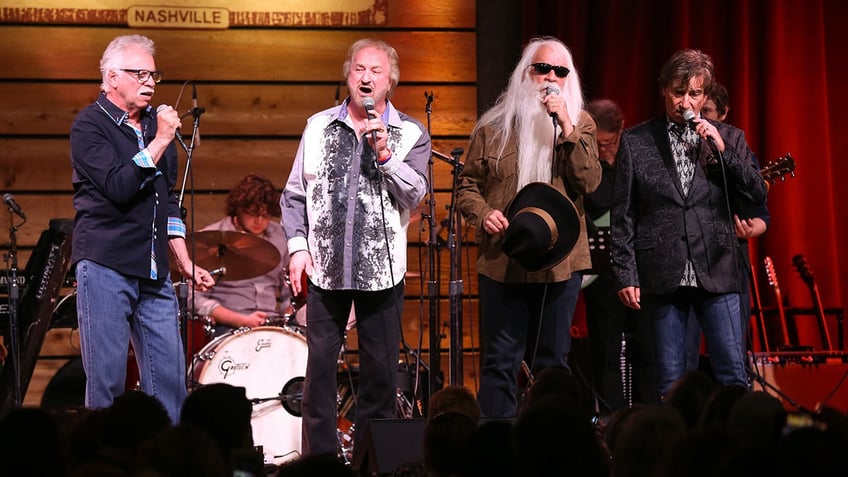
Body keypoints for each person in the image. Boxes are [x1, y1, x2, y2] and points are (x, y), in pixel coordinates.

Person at [281, 38, 430, 458]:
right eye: (359, 69)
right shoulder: (318, 126)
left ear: (391, 81)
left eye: (376, 71)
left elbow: (415, 194)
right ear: (348, 76)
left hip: (381, 273)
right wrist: (298, 248)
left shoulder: (410, 133)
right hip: (325, 271)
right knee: (320, 378)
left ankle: (371, 463)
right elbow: (294, 195)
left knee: (381, 379)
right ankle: (320, 465)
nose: (366, 77)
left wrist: (384, 154)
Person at [70, 34, 215, 423]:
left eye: (154, 74)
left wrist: (183, 259)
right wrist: (163, 139)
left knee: (169, 378)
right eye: (140, 74)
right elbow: (119, 186)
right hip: (106, 264)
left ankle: (170, 461)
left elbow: (166, 200)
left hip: (153, 270)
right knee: (108, 381)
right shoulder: (90, 125)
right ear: (111, 77)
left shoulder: (153, 123)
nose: (150, 82)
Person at [610, 49, 768, 400]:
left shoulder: (730, 137)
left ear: (705, 95)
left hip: (718, 269)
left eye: (694, 93)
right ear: (664, 89)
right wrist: (626, 273)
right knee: (670, 379)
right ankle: (675, 449)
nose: (685, 101)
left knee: (731, 373)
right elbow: (622, 215)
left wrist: (722, 149)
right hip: (663, 271)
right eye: (678, 91)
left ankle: (735, 451)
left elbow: (756, 192)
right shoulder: (637, 142)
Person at [456, 36, 601, 418]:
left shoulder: (581, 123)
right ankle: (498, 450)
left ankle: (550, 448)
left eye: (560, 71)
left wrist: (566, 124)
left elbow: (589, 182)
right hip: (503, 259)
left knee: (552, 363)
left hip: (560, 264)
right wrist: (484, 212)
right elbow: (466, 186)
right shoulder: (492, 127)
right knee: (500, 361)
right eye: (542, 69)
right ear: (525, 73)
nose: (550, 78)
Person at [685, 82, 769, 371]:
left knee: (731, 357)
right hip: (688, 264)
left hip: (728, 263)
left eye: (707, 111)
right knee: (684, 357)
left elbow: (761, 215)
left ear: (723, 113)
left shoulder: (737, 150)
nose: (701, 118)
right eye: (698, 111)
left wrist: (752, 229)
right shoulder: (682, 149)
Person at [582, 99, 657, 412]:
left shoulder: (637, 156)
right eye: (596, 144)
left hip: (641, 271)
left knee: (648, 350)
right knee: (606, 352)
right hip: (601, 275)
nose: (602, 150)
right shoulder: (585, 163)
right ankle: (612, 421)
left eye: (609, 143)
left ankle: (648, 418)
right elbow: (595, 200)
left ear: (621, 132)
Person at [192, 173, 295, 336]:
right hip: (227, 325)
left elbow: (288, 292)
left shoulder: (280, 236)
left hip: (271, 322)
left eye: (266, 215)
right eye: (253, 213)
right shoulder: (210, 239)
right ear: (238, 208)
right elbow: (195, 299)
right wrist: (239, 320)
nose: (259, 220)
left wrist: (290, 314)